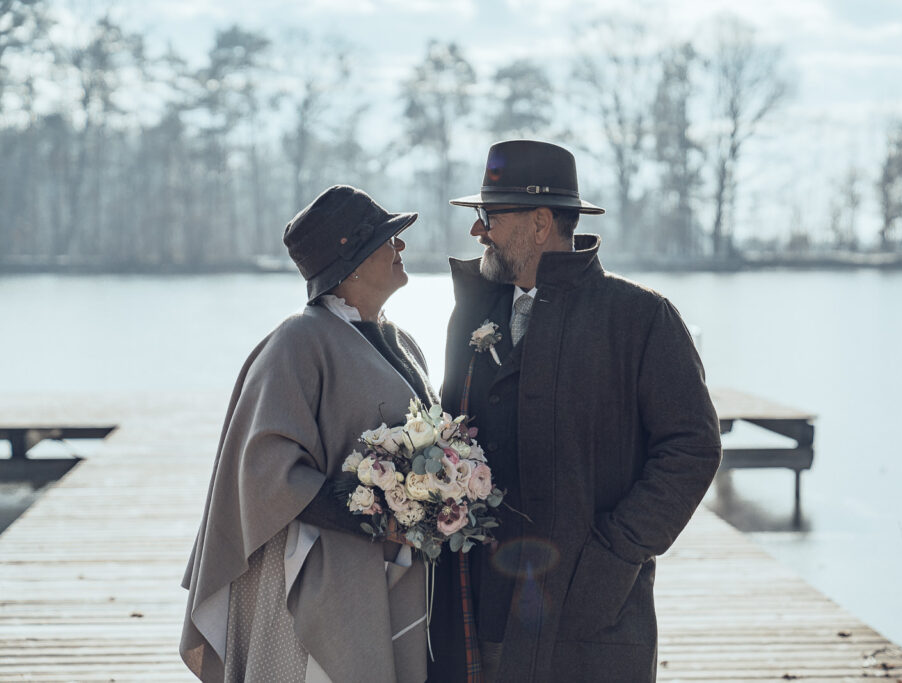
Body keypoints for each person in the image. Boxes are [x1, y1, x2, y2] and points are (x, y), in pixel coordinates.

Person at [430, 140, 722, 682]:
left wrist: (615, 555)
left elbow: (692, 447)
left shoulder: (642, 318)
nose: (478, 231)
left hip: (592, 612)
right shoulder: (471, 312)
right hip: (484, 609)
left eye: (489, 215)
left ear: (540, 223)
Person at [180, 185, 436, 683]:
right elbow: (266, 470)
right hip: (318, 574)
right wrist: (376, 515)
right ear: (353, 263)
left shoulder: (398, 336)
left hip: (390, 567)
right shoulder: (298, 341)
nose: (400, 247)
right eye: (389, 239)